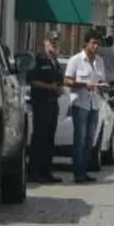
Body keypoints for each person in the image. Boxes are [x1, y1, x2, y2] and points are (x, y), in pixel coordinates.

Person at [64, 30, 107, 184]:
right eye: (93, 43)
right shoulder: (75, 60)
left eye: (98, 44)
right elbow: (67, 81)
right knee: (80, 140)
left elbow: (102, 80)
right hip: (80, 103)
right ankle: (78, 173)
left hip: (94, 104)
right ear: (86, 43)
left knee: (90, 140)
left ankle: (85, 171)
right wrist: (83, 84)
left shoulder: (100, 62)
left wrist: (102, 86)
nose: (96, 46)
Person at [26, 32, 65, 183]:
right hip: (41, 103)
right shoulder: (38, 59)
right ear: (45, 42)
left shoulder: (55, 61)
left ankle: (46, 171)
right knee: (39, 138)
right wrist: (49, 87)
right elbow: (32, 81)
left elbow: (59, 81)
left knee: (49, 139)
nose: (54, 43)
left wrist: (59, 88)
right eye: (51, 41)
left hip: (53, 103)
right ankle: (34, 172)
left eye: (56, 41)